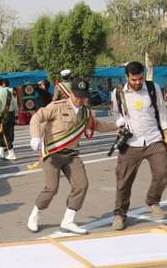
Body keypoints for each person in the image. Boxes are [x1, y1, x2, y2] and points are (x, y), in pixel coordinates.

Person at [27, 79, 117, 234]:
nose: (80, 100)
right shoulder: (57, 107)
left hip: (72, 154)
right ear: (71, 93)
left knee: (82, 185)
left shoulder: (85, 112)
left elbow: (97, 125)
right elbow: (37, 118)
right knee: (51, 189)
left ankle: (68, 221)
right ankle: (35, 214)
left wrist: (117, 126)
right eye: (78, 96)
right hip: (53, 154)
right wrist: (35, 137)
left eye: (83, 97)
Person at [111, 62, 167, 231]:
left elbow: (162, 111)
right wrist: (120, 124)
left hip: (153, 139)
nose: (137, 82)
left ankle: (152, 201)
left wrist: (165, 132)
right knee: (123, 181)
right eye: (134, 79)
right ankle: (120, 214)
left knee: (163, 172)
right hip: (130, 143)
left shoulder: (152, 88)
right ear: (127, 77)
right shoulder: (118, 92)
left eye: (140, 78)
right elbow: (116, 112)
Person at [0, 78, 18, 160]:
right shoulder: (8, 91)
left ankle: (11, 153)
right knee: (2, 133)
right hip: (11, 114)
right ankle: (1, 152)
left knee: (5, 134)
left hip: (2, 115)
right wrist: (16, 113)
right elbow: (15, 103)